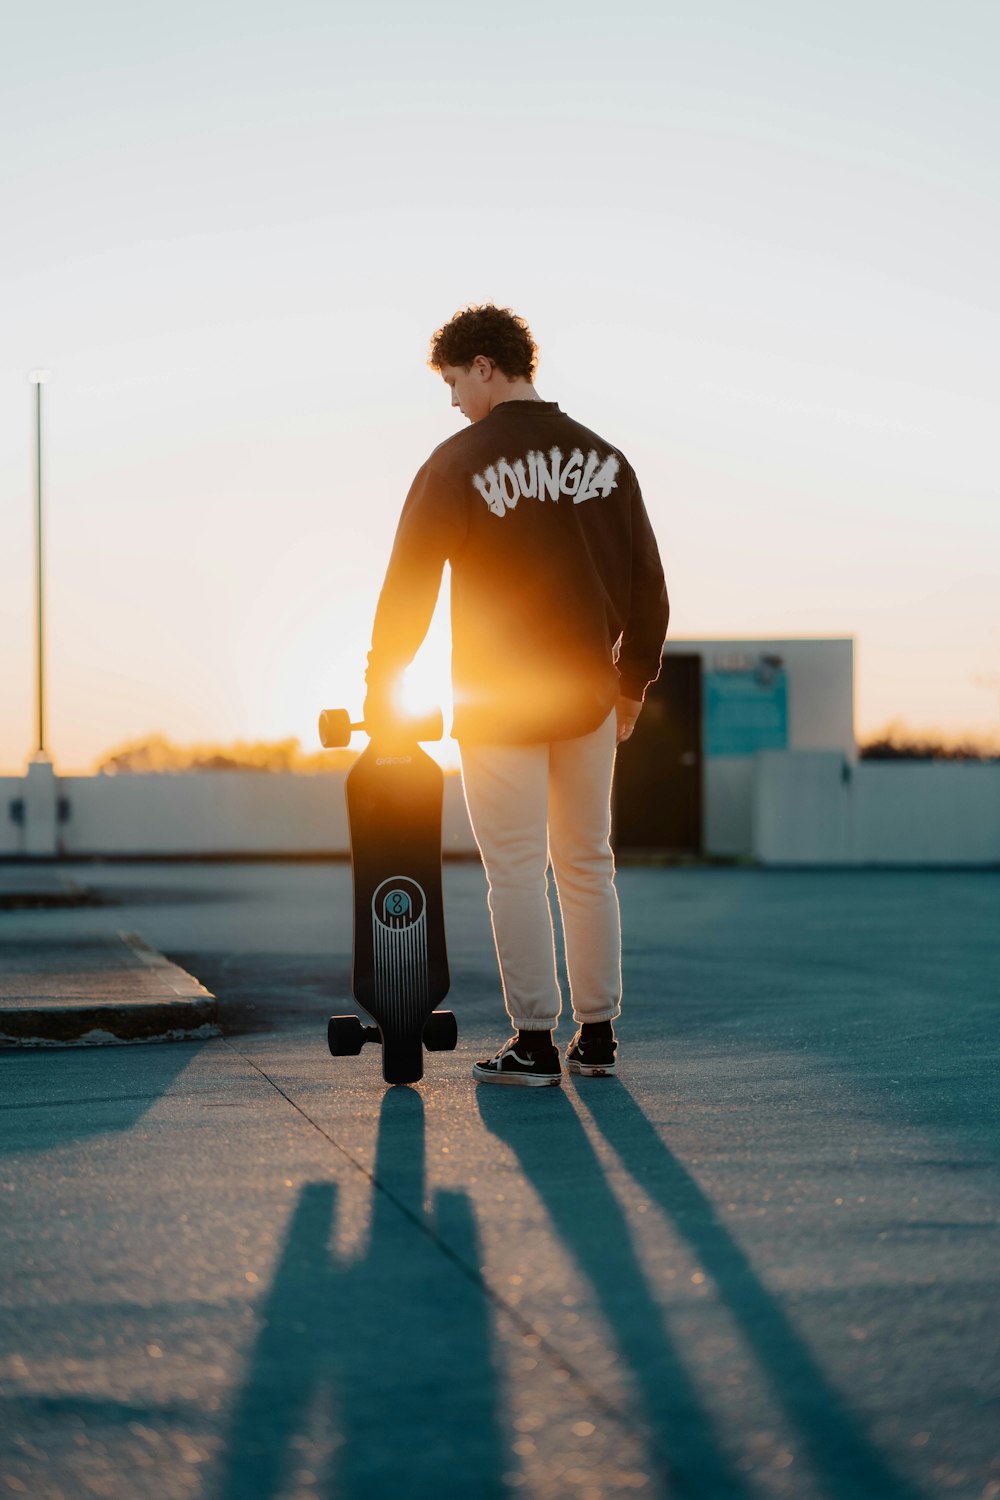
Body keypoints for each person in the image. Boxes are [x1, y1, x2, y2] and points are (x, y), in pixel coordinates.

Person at [363, 304, 669, 1087]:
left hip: (500, 699)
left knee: (515, 869)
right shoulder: (607, 460)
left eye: (455, 381)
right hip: (587, 697)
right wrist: (631, 687)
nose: (454, 400)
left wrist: (381, 686)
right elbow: (649, 592)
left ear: (487, 367)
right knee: (587, 862)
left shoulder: (457, 461)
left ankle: (533, 1042)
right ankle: (596, 1036)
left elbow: (409, 589)